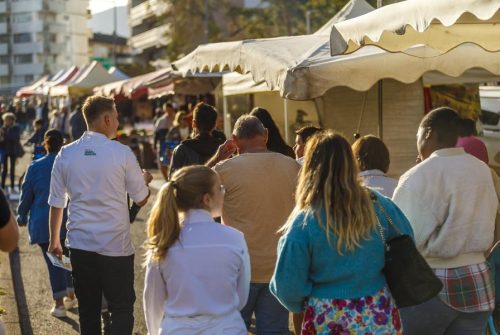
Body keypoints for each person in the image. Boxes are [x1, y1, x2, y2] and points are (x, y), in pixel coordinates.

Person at [270, 131, 413, 335]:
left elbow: (287, 286)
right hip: (378, 313)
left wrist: (306, 303)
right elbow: (407, 244)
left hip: (325, 317)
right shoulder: (382, 206)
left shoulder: (304, 221)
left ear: (310, 168)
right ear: (350, 163)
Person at [48, 95, 153, 335]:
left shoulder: (66, 153)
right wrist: (145, 181)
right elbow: (141, 197)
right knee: (122, 308)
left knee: (88, 311)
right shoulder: (122, 152)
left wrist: (55, 240)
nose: (117, 122)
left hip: (80, 244)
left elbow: (56, 202)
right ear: (106, 119)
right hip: (116, 245)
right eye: (116, 117)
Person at [393, 107, 498, 335]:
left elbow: (403, 238)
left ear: (428, 133)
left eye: (418, 135)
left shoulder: (418, 175)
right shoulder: (482, 170)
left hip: (433, 282)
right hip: (479, 279)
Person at [208, 115, 300, 334]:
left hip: (238, 269)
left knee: (232, 329)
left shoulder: (224, 169)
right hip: (278, 267)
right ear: (266, 135)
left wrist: (215, 159)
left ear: (235, 140)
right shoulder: (293, 167)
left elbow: (190, 190)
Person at [143, 165, 250, 335]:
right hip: (227, 328)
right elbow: (241, 296)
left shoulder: (164, 241)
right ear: (206, 199)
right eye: (220, 188)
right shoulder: (235, 239)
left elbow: (152, 304)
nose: (223, 192)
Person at [17, 129, 76, 318]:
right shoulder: (70, 165)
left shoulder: (35, 167)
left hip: (43, 221)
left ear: (45, 144)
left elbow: (26, 195)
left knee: (54, 262)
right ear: (63, 144)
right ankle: (71, 294)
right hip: (69, 220)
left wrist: (21, 216)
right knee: (65, 258)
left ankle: (59, 304)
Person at [169, 102, 224, 177]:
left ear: (193, 124)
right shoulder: (224, 151)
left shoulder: (181, 150)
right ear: (214, 125)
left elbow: (173, 182)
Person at [0, 113, 21, 193]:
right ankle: (2, 186)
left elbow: (16, 139)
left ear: (12, 120)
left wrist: (5, 134)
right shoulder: (2, 128)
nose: (7, 121)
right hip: (5, 151)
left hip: (13, 150)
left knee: (12, 169)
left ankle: (12, 186)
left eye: (9, 120)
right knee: (4, 170)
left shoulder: (16, 128)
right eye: (5, 120)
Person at [154, 103, 175, 180]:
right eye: (167, 110)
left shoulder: (175, 119)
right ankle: (167, 180)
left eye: (170, 110)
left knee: (171, 163)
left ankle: (171, 179)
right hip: (163, 144)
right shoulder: (161, 120)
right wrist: (155, 145)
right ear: (164, 110)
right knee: (162, 163)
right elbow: (156, 133)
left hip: (173, 144)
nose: (168, 111)